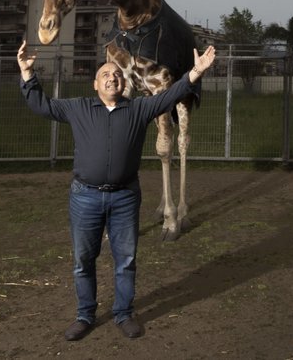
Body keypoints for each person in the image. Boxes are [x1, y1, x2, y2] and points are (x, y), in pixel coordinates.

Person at [17, 39, 216, 341]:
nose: (112, 77)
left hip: (124, 197)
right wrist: (27, 74)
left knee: (125, 260)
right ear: (95, 84)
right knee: (83, 260)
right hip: (85, 197)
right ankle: (85, 315)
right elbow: (41, 105)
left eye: (117, 75)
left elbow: (170, 95)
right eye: (105, 74)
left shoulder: (138, 109)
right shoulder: (79, 108)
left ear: (124, 84)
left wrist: (195, 73)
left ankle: (124, 314)